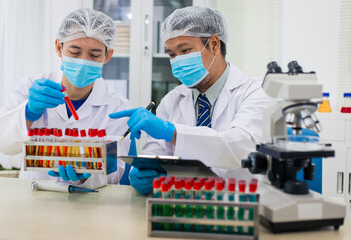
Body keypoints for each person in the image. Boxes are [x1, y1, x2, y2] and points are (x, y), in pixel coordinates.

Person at [109, 6, 273, 194]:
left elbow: (240, 146)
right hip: (181, 206)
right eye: (171, 54)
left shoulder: (256, 92)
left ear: (214, 44)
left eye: (185, 50)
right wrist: (143, 173)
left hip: (237, 206)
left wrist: (171, 132)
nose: (177, 60)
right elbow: (154, 154)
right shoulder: (172, 101)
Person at [0, 8, 133, 189]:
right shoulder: (30, 86)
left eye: (94, 55)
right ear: (59, 48)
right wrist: (28, 112)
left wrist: (86, 177)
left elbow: (117, 170)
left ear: (107, 56)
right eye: (75, 52)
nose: (83, 61)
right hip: (34, 197)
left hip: (89, 204)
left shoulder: (117, 107)